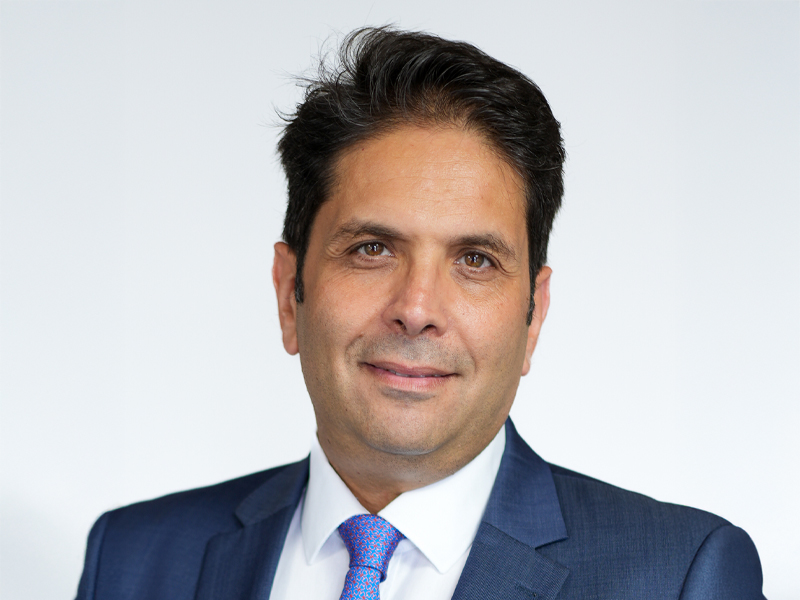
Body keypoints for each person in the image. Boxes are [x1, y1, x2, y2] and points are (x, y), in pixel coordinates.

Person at [75, 27, 765, 600]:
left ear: (533, 317)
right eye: (372, 249)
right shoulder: (133, 560)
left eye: (476, 260)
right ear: (289, 293)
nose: (416, 309)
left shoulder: (680, 576)